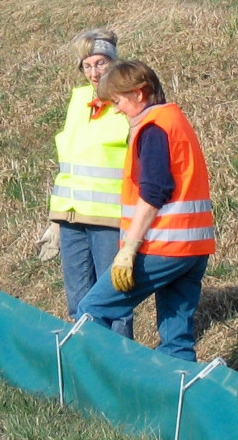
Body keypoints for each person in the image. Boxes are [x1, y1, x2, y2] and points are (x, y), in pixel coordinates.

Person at [76, 60, 215, 362]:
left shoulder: (153, 129)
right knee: (177, 341)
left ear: (139, 94)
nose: (117, 110)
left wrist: (129, 249)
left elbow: (153, 193)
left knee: (92, 309)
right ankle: (179, 386)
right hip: (194, 248)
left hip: (163, 247)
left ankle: (110, 378)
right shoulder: (174, 119)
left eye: (118, 101)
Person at [38, 29, 134, 338]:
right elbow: (69, 161)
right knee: (78, 303)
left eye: (101, 63)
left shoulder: (128, 103)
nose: (94, 73)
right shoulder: (79, 101)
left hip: (109, 219)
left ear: (114, 63)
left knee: (114, 300)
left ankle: (119, 359)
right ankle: (89, 358)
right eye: (87, 66)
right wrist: (55, 220)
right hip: (71, 218)